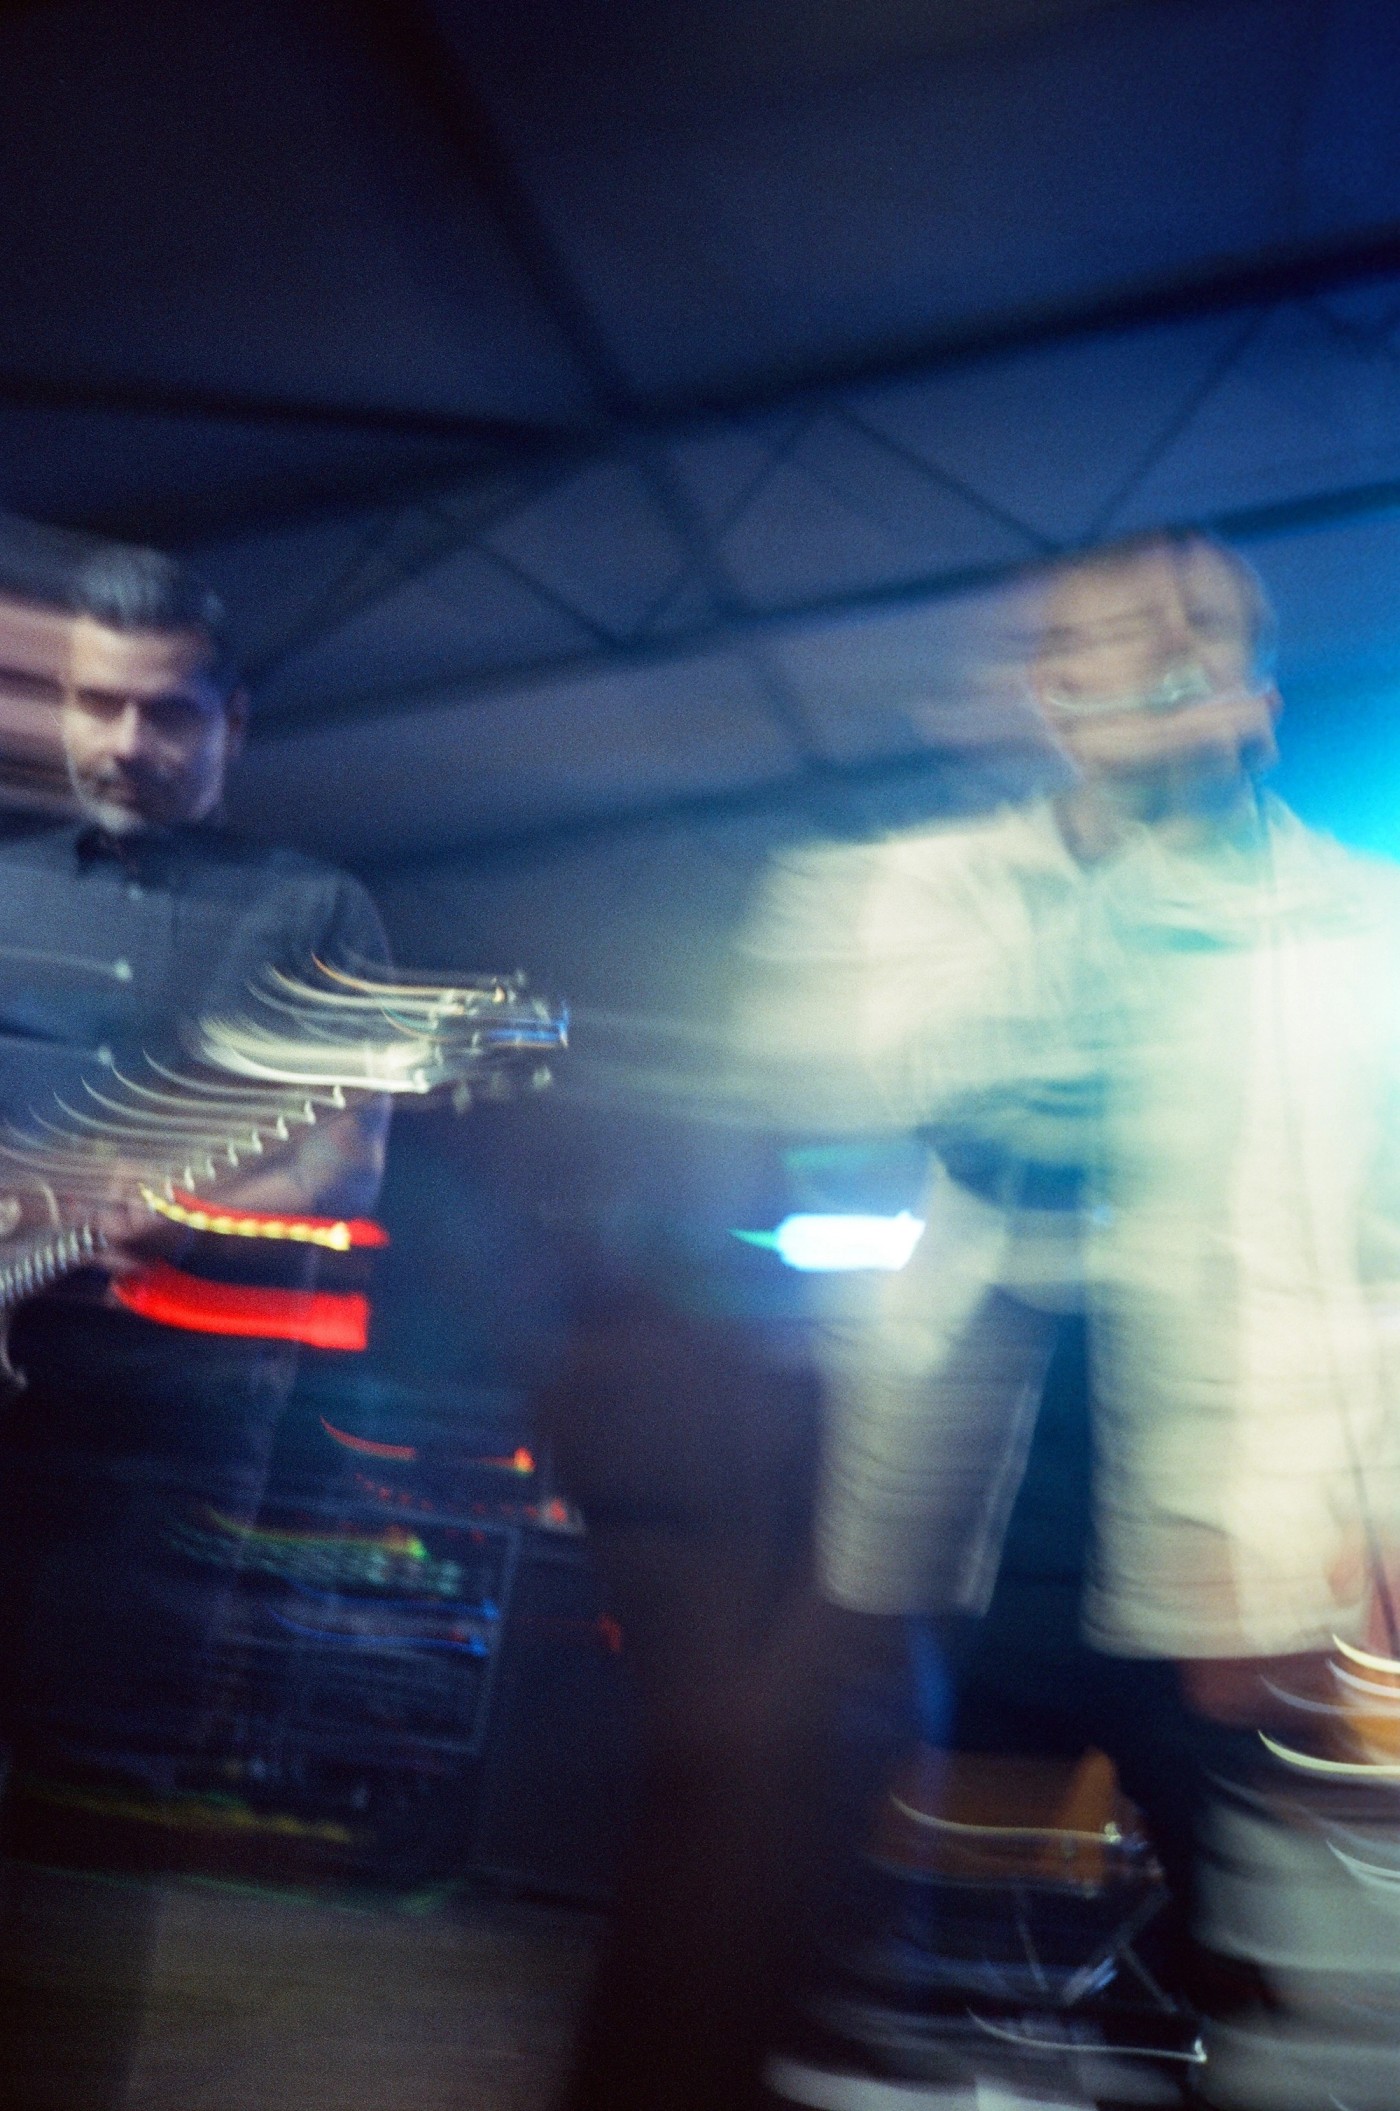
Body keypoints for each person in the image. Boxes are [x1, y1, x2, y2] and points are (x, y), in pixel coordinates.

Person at [736, 528, 1400, 2108]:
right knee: (950, 1925)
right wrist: (1121, 894)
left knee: (1274, 1949)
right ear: (1050, 690)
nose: (1167, 646)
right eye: (1121, 633)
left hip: (1259, 1491)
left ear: (1255, 689)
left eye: (1204, 630)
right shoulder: (911, 889)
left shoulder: (1364, 923)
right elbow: (846, 1080)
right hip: (986, 1460)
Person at [0, 513, 390, 1795]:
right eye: (97, 705)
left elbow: (341, 1161)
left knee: (100, 1762)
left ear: (234, 722)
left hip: (167, 1409)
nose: (125, 744)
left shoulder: (316, 911)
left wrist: (179, 1212)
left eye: (166, 713)